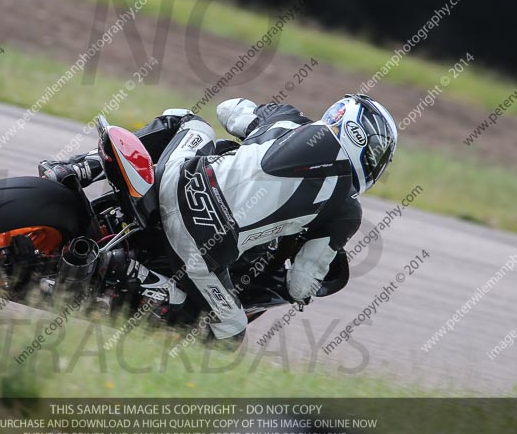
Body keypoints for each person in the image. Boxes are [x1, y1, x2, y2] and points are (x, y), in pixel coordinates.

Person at [39, 94, 398, 345]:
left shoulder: (288, 119)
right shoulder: (346, 210)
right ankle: (133, 275)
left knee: (185, 119)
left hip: (176, 182)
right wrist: (298, 293)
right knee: (230, 330)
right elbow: (302, 281)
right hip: (201, 249)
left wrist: (258, 121)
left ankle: (81, 166)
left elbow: (228, 109)